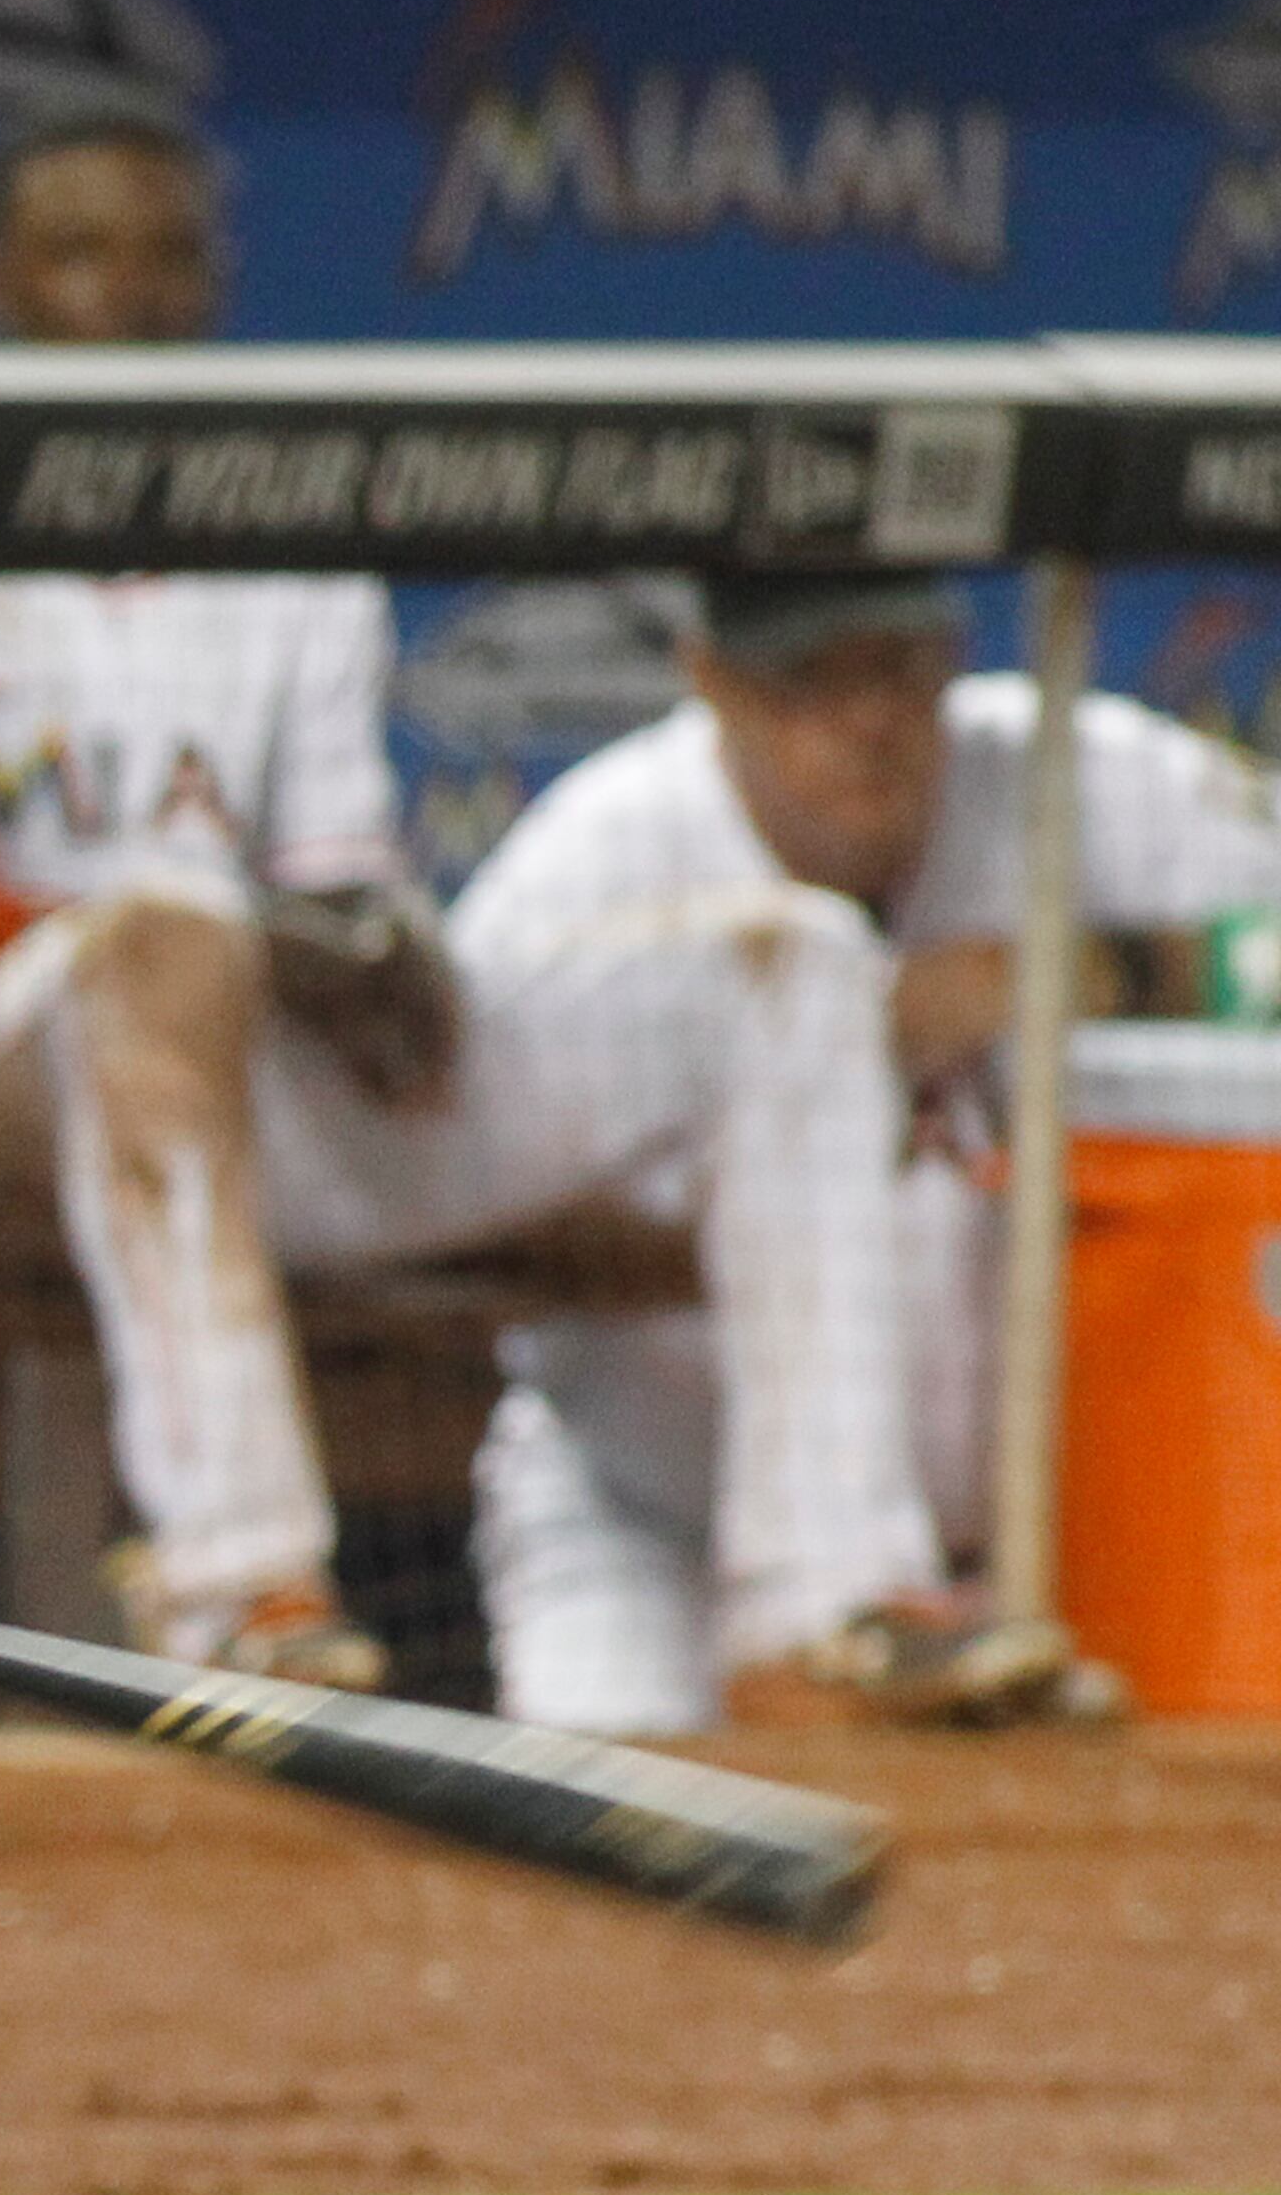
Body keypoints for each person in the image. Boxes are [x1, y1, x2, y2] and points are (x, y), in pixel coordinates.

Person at [0, 114, 949, 1708]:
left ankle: (829, 1597)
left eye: (169, 257)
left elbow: (334, 884)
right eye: (81, 252)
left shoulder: (281, 532)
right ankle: (242, 1584)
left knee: (793, 961)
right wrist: (245, 940)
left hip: (235, 1102)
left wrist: (378, 959)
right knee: (162, 930)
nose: (128, 295)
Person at [470, 571, 1281, 1733]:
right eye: (813, 679)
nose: (869, 720)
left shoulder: (1087, 777)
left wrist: (1090, 969)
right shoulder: (591, 866)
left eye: (900, 668)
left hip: (1056, 1542)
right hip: (650, 1520)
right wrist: (743, 1230)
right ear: (712, 681)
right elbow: (450, 1216)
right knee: (608, 1818)